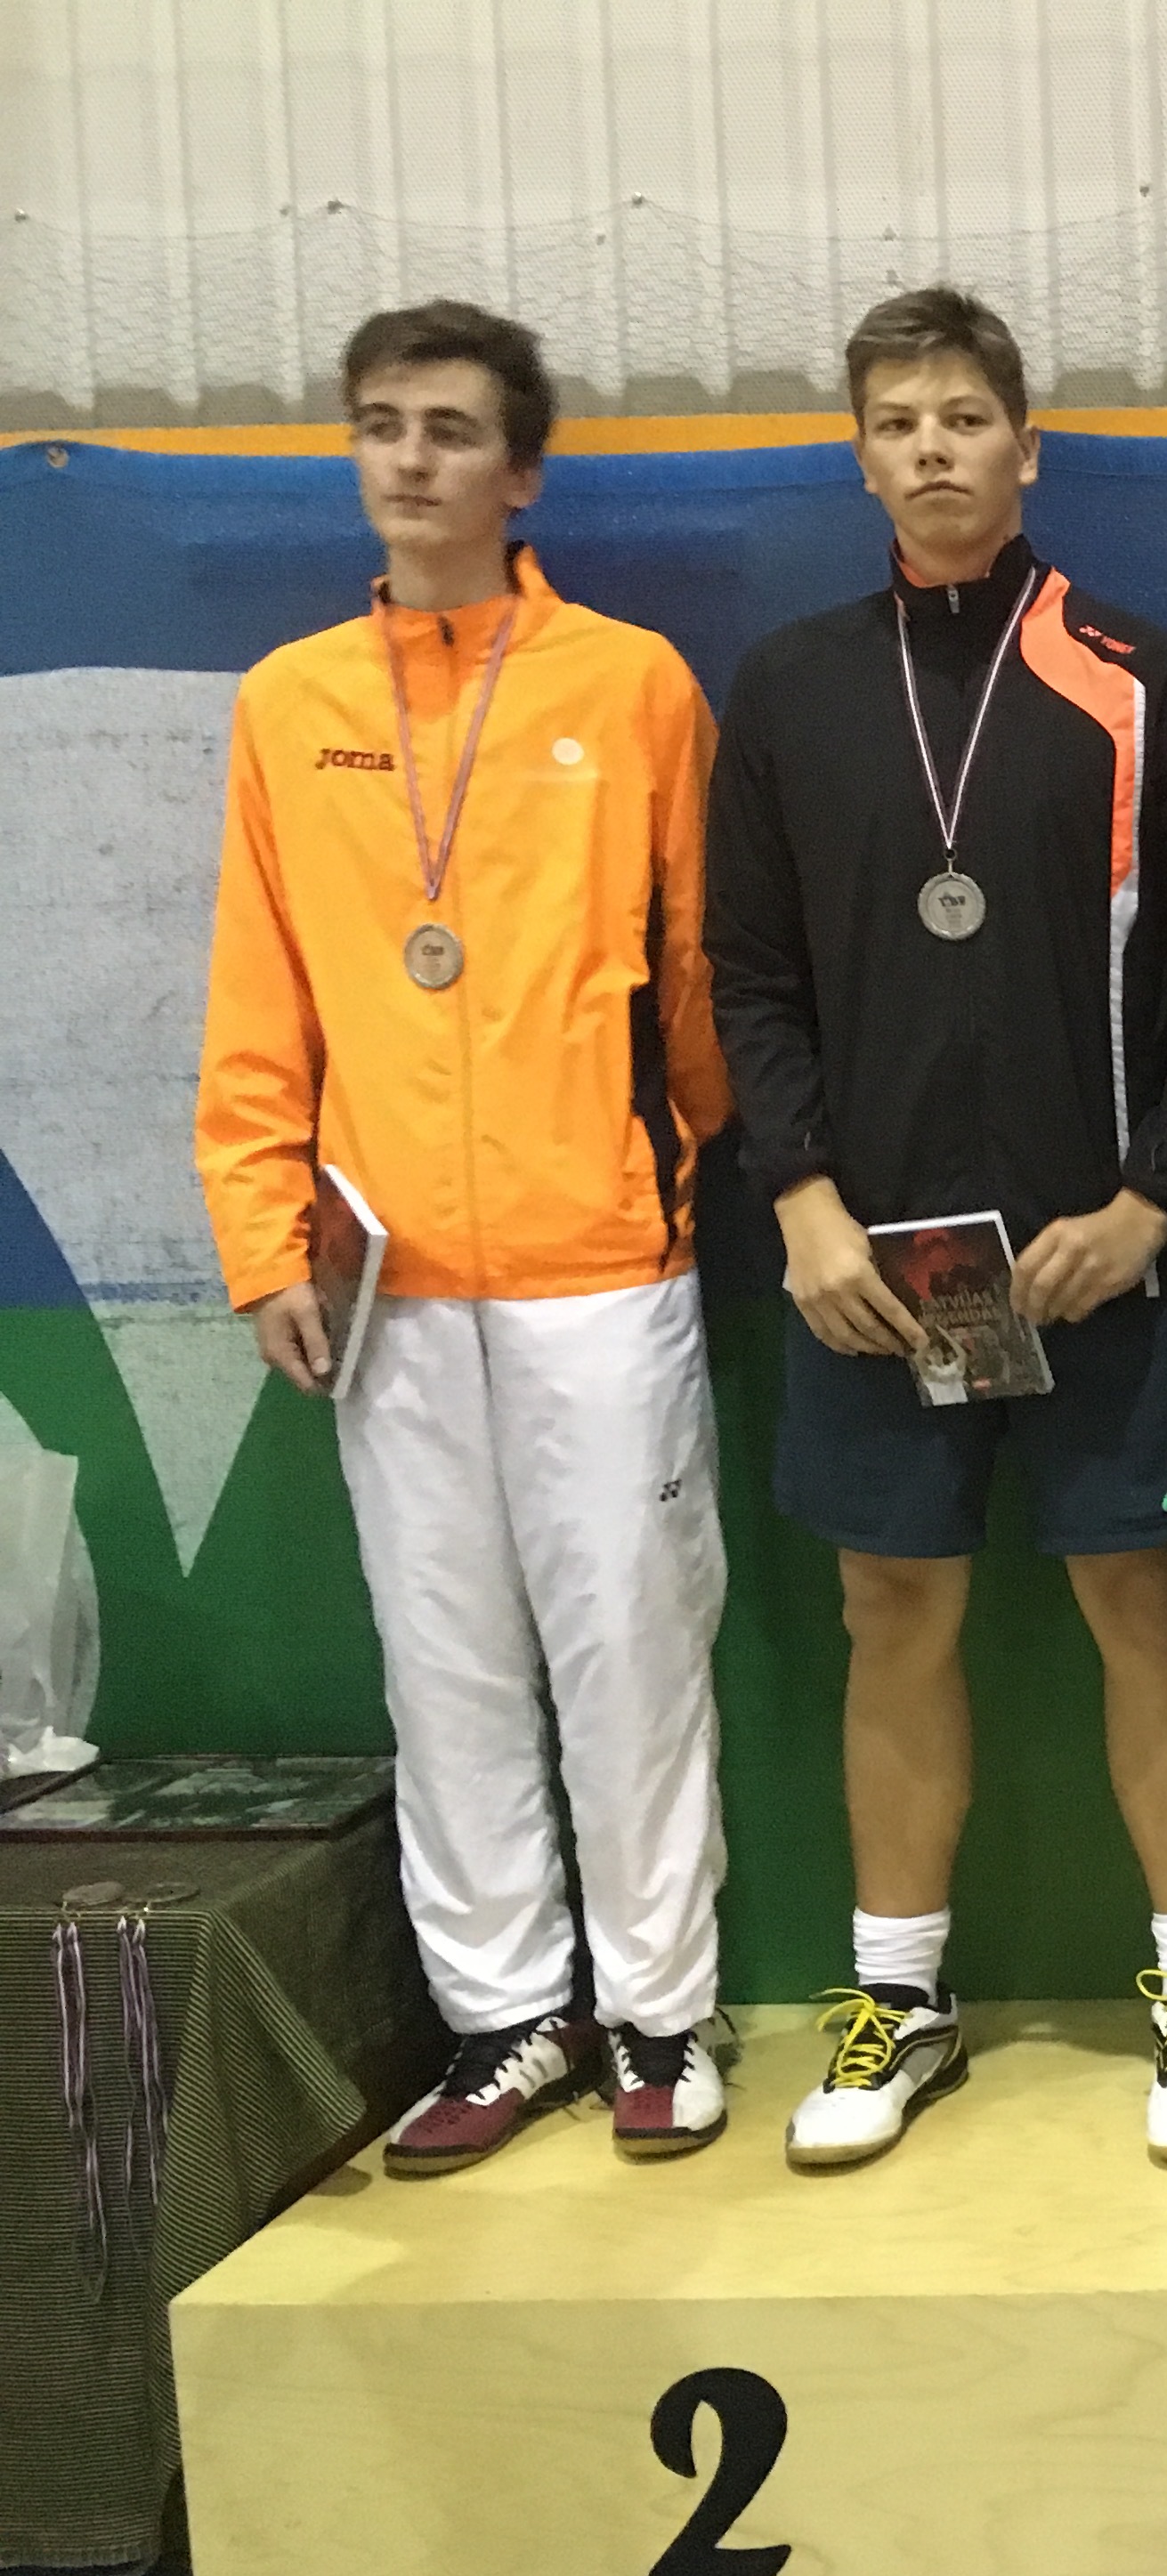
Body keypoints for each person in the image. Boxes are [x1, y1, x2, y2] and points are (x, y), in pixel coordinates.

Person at [706, 288, 1167, 2170]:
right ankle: (900, 1997)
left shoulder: (1152, 682)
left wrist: (1153, 1200)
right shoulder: (790, 691)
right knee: (892, 1609)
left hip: (1100, 1256)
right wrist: (800, 1197)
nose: (933, 449)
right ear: (859, 458)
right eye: (897, 423)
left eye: (963, 417)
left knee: (1143, 1608)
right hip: (881, 1269)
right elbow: (749, 974)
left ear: (1028, 444)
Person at [195, 301, 733, 2173]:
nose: (409, 459)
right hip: (389, 1282)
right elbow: (260, 995)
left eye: (447, 430)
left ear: (522, 475)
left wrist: (658, 1166)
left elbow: (699, 974)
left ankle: (662, 2012)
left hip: (605, 1265)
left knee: (632, 1654)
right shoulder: (290, 706)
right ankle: (507, 2020)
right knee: (445, 1664)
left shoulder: (632, 685)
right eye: (379, 425)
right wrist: (266, 1236)